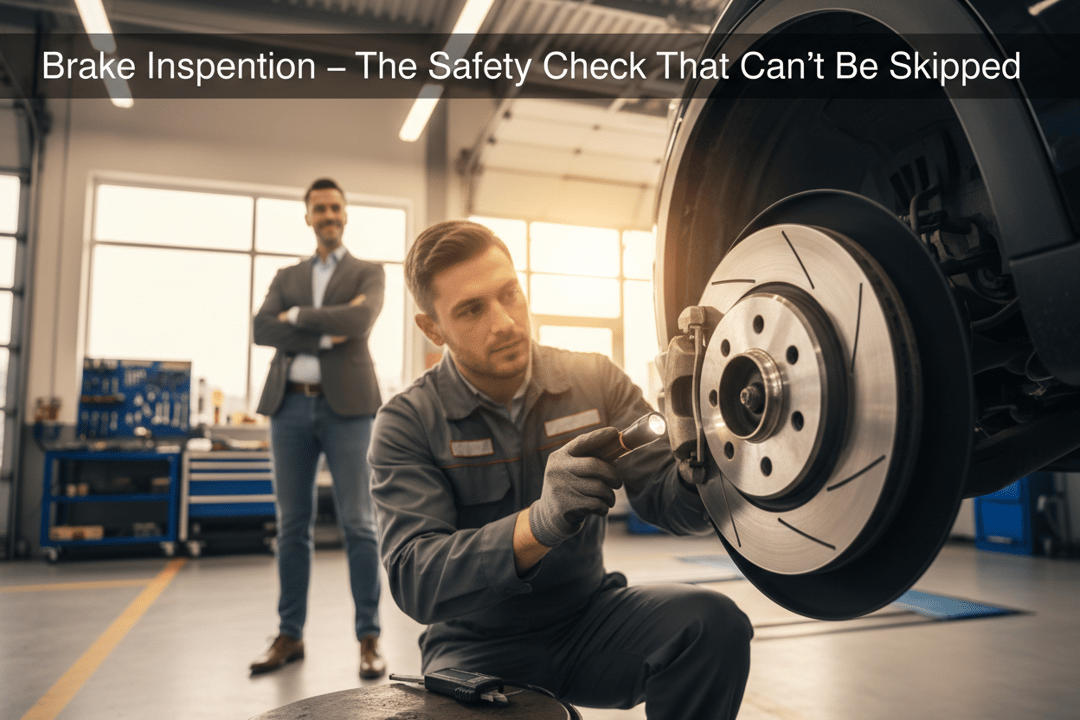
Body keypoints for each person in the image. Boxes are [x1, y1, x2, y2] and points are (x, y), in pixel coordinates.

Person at [368, 220, 752, 718]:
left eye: (510, 293)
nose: (504, 321)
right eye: (471, 309)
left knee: (712, 625)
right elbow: (416, 578)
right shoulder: (408, 421)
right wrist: (539, 524)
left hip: (590, 621)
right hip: (475, 645)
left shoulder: (596, 380)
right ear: (432, 328)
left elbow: (673, 505)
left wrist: (702, 455)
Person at [250, 178, 386, 679]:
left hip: (347, 409)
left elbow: (362, 320)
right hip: (288, 408)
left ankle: (369, 638)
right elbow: (263, 328)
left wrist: (301, 319)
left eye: (335, 207)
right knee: (291, 526)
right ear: (307, 217)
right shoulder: (287, 275)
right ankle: (290, 635)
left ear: (345, 214)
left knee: (359, 523)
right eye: (318, 209)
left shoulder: (368, 272)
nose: (327, 215)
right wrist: (330, 326)